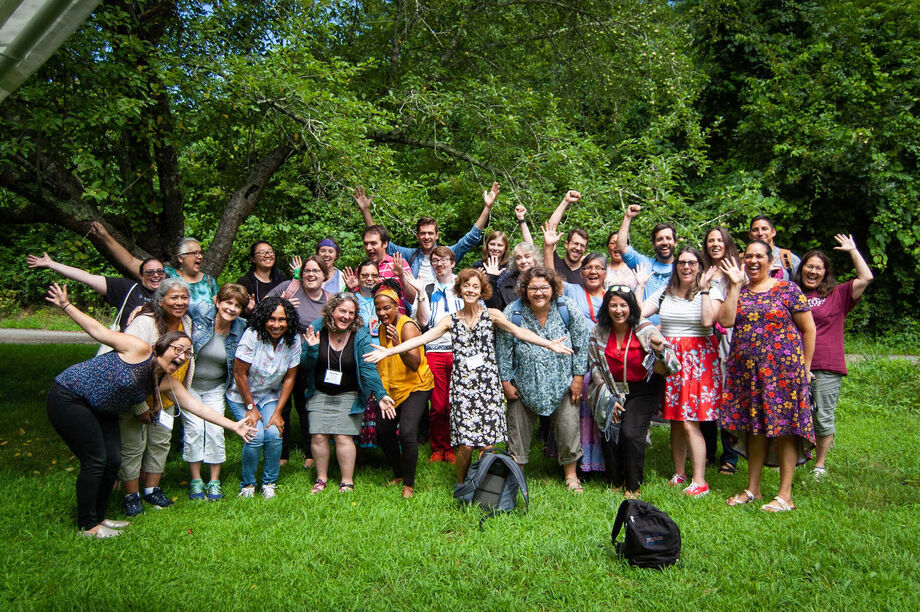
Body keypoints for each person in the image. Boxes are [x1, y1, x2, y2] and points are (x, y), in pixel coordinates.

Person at [44, 283, 252, 538]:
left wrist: (233, 425)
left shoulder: (165, 381)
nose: (182, 357)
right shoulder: (139, 350)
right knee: (96, 460)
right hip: (71, 396)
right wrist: (66, 305)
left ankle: (99, 517)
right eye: (177, 350)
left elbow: (196, 406)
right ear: (162, 346)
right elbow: (98, 331)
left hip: (103, 408)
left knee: (113, 461)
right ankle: (88, 526)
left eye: (187, 353)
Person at [364, 268, 573, 486]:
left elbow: (519, 332)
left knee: (488, 443)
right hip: (463, 388)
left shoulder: (492, 315)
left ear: (482, 291)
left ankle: (483, 485)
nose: (471, 290)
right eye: (466, 286)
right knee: (466, 444)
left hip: (488, 386)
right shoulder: (450, 320)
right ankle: (462, 484)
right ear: (460, 289)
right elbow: (422, 339)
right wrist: (390, 351)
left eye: (475, 286)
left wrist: (548, 343)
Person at [720, 242, 816, 512]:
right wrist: (734, 285)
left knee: (785, 429)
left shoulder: (787, 290)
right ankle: (753, 489)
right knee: (754, 429)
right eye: (748, 256)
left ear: (770, 261)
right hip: (747, 375)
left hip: (783, 375)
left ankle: (785, 496)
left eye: (759, 256)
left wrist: (806, 368)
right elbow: (725, 321)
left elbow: (808, 329)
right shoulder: (739, 291)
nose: (753, 261)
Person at [496, 267, 589, 492]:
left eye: (544, 288)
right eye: (533, 288)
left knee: (568, 428)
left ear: (553, 288)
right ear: (524, 289)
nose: (539, 293)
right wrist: (506, 382)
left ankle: (571, 476)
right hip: (523, 383)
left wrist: (578, 378)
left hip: (562, 382)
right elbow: (503, 348)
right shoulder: (513, 312)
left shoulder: (567, 308)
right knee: (517, 431)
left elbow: (581, 343)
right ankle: (516, 474)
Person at [641, 247, 724, 497]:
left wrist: (705, 289)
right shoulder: (664, 292)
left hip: (699, 361)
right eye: (682, 263)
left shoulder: (712, 290)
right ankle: (680, 473)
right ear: (676, 266)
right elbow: (637, 313)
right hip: (672, 361)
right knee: (676, 421)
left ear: (699, 266)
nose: (686, 267)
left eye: (692, 263)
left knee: (689, 422)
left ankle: (700, 481)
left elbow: (708, 321)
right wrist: (640, 286)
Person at [793, 234, 873, 479]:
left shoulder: (838, 294)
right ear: (801, 269)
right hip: (793, 364)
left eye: (819, 268)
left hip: (825, 365)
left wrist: (852, 250)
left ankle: (819, 464)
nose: (813, 271)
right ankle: (796, 458)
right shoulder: (792, 294)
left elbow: (866, 277)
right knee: (794, 414)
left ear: (825, 272)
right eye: (809, 266)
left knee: (821, 416)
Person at [301, 293, 395, 494]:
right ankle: (321, 478)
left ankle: (346, 481)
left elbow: (368, 367)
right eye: (342, 311)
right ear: (331, 311)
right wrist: (312, 350)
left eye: (351, 313)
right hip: (319, 391)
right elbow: (305, 364)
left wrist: (380, 394)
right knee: (318, 435)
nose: (346, 316)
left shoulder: (360, 334)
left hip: (348, 393)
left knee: (343, 435)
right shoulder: (317, 328)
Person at [120, 277, 194, 517]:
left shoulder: (187, 321)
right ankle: (131, 495)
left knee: (160, 443)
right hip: (137, 397)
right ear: (160, 301)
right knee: (133, 446)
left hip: (167, 397)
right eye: (174, 297)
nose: (180, 302)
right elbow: (128, 367)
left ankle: (152, 489)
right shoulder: (144, 323)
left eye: (184, 297)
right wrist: (139, 406)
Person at [588, 287, 666, 498]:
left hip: (642, 389)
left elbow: (665, 367)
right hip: (610, 388)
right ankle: (614, 479)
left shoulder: (646, 329)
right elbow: (594, 365)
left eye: (623, 305)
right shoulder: (598, 331)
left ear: (631, 307)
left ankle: (633, 485)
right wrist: (608, 398)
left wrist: (659, 352)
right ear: (607, 308)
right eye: (613, 305)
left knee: (630, 433)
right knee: (609, 428)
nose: (618, 310)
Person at [226, 297, 301, 499]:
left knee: (275, 433)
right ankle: (248, 485)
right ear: (263, 319)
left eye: (282, 319)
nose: (276, 325)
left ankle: (269, 483)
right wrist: (250, 408)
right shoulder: (253, 335)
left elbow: (290, 378)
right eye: (271, 319)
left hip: (268, 394)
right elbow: (239, 373)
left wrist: (278, 412)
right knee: (255, 435)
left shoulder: (294, 340)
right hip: (242, 395)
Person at [352, 183, 500, 283]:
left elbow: (470, 238)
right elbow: (379, 239)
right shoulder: (410, 255)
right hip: (417, 308)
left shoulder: (449, 253)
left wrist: (487, 207)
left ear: (437, 235)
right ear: (417, 236)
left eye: (430, 233)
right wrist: (365, 210)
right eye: (423, 233)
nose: (427, 237)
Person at [185, 283, 249, 501]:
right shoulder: (201, 311)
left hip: (216, 386)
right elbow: (174, 304)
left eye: (237, 306)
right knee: (194, 429)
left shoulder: (241, 328)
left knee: (215, 430)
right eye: (228, 303)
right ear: (217, 301)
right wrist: (144, 309)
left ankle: (214, 481)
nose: (231, 309)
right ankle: (196, 480)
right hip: (189, 384)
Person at [266, 255, 329, 467]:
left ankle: (310, 453)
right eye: (307, 271)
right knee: (282, 405)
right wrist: (281, 303)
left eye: (316, 271)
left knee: (306, 405)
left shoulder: (329, 300)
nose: (311, 274)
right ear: (301, 274)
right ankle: (281, 452)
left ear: (324, 275)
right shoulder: (289, 288)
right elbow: (261, 310)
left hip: (311, 360)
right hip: (282, 358)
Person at [374, 281, 435, 497]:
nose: (382, 313)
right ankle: (399, 473)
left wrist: (398, 345)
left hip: (416, 386)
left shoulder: (407, 326)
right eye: (378, 309)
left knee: (407, 432)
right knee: (383, 431)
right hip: (393, 387)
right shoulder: (382, 328)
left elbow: (415, 363)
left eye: (386, 308)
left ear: (396, 305)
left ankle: (409, 483)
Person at [405, 246, 464, 463]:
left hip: (460, 352)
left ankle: (455, 445)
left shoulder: (464, 286)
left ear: (452, 263)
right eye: (435, 261)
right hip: (435, 352)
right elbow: (422, 322)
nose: (439, 264)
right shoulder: (427, 289)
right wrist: (421, 294)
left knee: (457, 402)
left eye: (444, 260)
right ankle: (439, 446)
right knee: (438, 405)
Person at [27, 252, 166, 331]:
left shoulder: (172, 292)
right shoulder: (126, 288)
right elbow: (87, 278)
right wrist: (51, 264)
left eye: (160, 271)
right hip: (131, 348)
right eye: (150, 272)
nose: (156, 275)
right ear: (140, 276)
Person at [700, 227, 742, 474]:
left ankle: (730, 454)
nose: (715, 244)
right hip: (706, 340)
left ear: (727, 243)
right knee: (707, 394)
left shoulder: (737, 270)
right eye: (710, 241)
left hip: (731, 339)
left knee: (728, 397)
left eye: (719, 240)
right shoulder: (702, 270)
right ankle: (707, 449)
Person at [343, 261, 383, 448]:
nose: (370, 279)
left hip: (382, 354)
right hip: (358, 355)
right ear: (358, 278)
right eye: (365, 275)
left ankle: (380, 442)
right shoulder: (352, 299)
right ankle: (356, 446)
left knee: (378, 398)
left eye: (374, 275)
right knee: (361, 399)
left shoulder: (383, 298)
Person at [615, 204, 676, 323]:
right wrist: (627, 217)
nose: (664, 242)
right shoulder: (643, 263)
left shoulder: (682, 269)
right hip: (642, 329)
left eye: (668, 238)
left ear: (675, 242)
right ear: (653, 244)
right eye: (659, 239)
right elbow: (621, 247)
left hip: (670, 330)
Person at [361, 225, 418, 307]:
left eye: (373, 243)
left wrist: (401, 276)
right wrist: (351, 289)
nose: (368, 248)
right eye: (366, 244)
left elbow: (414, 300)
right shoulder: (362, 269)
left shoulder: (398, 264)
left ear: (385, 244)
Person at [544, 190, 588, 286]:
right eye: (575, 243)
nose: (578, 248)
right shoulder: (554, 262)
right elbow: (550, 228)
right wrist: (566, 201)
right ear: (566, 244)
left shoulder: (586, 273)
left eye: (582, 246)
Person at [236, 241, 288, 314]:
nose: (267, 255)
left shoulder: (281, 279)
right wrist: (248, 310)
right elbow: (236, 309)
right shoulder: (245, 282)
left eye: (270, 252)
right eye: (261, 252)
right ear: (253, 259)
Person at [489, 241, 543, 312]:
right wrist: (492, 278)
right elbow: (495, 306)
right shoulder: (507, 282)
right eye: (518, 258)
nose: (523, 261)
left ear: (535, 258)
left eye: (527, 256)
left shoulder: (544, 278)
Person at [749, 215, 801, 281]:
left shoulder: (788, 258)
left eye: (764, 229)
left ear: (773, 232)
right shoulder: (743, 260)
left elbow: (799, 285)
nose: (760, 233)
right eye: (755, 230)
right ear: (750, 235)